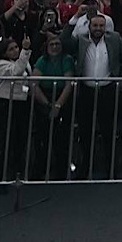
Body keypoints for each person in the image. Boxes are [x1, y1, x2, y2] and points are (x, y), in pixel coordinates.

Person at [60, 9, 122, 178]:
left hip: (107, 90)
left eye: (101, 25)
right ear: (89, 26)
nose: (98, 28)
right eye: (95, 25)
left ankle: (110, 168)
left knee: (108, 131)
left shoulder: (115, 38)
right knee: (86, 131)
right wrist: (74, 18)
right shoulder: (80, 40)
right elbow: (64, 42)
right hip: (86, 90)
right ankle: (85, 167)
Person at [0, 36, 32, 185]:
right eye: (11, 49)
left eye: (16, 48)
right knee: (4, 140)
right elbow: (16, 72)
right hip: (6, 103)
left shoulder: (23, 61)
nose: (15, 51)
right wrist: (25, 51)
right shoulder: (1, 65)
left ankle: (17, 173)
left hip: (22, 103)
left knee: (20, 139)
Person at [31, 34, 75, 180]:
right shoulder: (42, 61)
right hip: (45, 97)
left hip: (62, 97)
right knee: (42, 137)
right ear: (47, 47)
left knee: (61, 138)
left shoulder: (67, 60)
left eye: (57, 44)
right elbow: (34, 84)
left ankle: (62, 171)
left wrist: (58, 105)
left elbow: (69, 84)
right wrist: (47, 104)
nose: (55, 47)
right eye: (52, 44)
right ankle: (39, 169)